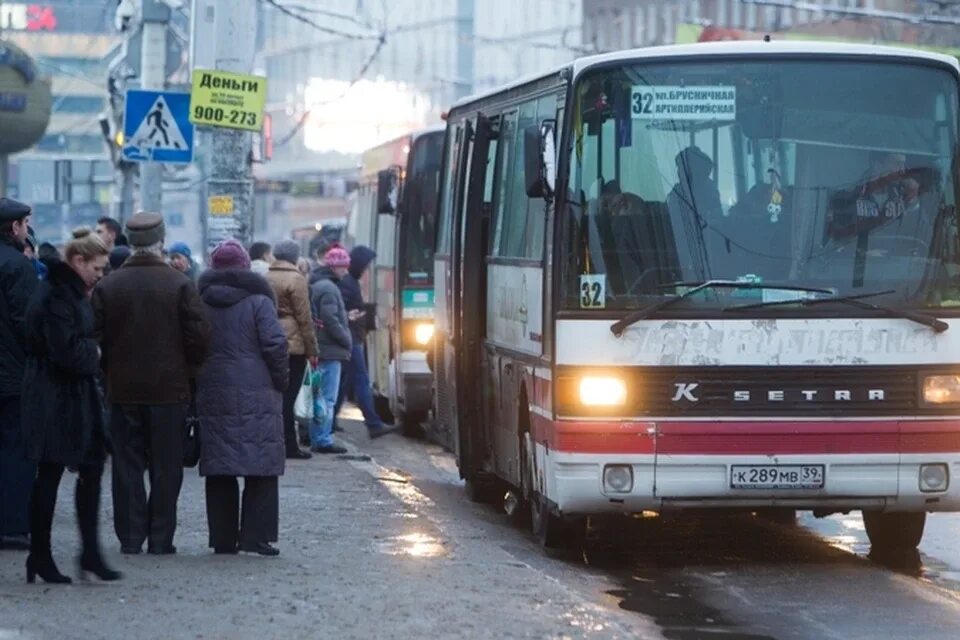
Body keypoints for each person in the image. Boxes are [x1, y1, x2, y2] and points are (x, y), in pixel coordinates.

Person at [91, 212, 211, 555]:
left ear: (129, 243)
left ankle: (130, 537)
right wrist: (189, 371)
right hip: (169, 391)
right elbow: (200, 336)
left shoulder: (108, 285)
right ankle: (161, 539)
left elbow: (92, 336)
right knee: (166, 465)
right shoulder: (179, 284)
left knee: (127, 464)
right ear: (161, 241)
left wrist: (108, 371)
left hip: (122, 389)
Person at [21, 228, 121, 584]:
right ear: (78, 261)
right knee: (49, 475)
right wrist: (92, 353)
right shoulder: (56, 296)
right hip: (54, 397)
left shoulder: (69, 292)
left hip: (72, 397)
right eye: (97, 267)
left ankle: (89, 553)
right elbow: (67, 351)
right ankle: (41, 556)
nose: (101, 274)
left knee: (90, 470)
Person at [196, 240, 288, 556]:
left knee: (220, 466)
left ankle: (222, 540)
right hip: (258, 391)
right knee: (261, 464)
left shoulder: (201, 301)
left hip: (213, 389)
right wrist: (280, 380)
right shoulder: (259, 302)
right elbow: (275, 345)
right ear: (245, 268)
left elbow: (192, 346)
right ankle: (256, 537)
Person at [0, 197, 39, 551]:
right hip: (12, 377)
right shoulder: (17, 266)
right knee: (15, 448)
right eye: (25, 225)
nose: (26, 231)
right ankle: (12, 525)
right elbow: (29, 322)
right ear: (14, 228)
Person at [334, 245, 398, 439]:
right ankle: (373, 424)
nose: (367, 269)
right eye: (366, 265)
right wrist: (355, 315)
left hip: (351, 337)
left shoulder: (349, 281)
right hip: (352, 339)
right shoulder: (348, 283)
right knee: (361, 380)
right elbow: (341, 311)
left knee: (345, 382)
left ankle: (329, 421)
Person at [265, 240, 317, 460]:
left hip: (269, 338)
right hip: (293, 343)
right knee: (289, 397)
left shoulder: (266, 277)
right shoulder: (296, 279)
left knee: (273, 396)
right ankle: (289, 445)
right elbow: (305, 318)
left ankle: (272, 442)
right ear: (294, 256)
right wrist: (312, 349)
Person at [308, 244, 352, 454]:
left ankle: (317, 436)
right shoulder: (329, 288)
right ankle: (323, 439)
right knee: (327, 397)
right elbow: (331, 319)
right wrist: (346, 340)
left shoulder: (319, 284)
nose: (346, 271)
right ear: (335, 267)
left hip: (321, 348)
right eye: (343, 266)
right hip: (329, 349)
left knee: (317, 396)